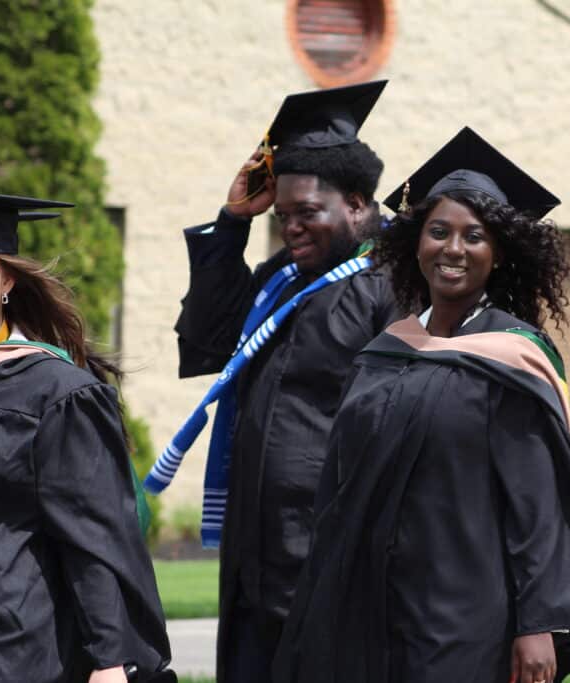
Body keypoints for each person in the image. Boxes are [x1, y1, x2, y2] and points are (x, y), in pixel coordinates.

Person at [274, 127, 570, 683]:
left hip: (466, 611)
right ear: (416, 243)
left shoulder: (513, 358)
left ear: (498, 255)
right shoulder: (387, 349)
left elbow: (538, 503)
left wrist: (537, 624)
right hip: (370, 601)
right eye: (438, 232)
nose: (453, 249)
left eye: (474, 236)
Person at [143, 81, 397, 683]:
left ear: (358, 205)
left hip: (329, 560)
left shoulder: (392, 290)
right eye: (281, 216)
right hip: (253, 551)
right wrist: (232, 223)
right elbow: (206, 342)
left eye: (307, 213)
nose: (291, 228)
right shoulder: (283, 277)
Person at [0, 190, 172, 682]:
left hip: (0, 640)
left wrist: (109, 662)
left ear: (7, 281)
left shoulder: (57, 394)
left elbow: (92, 535)